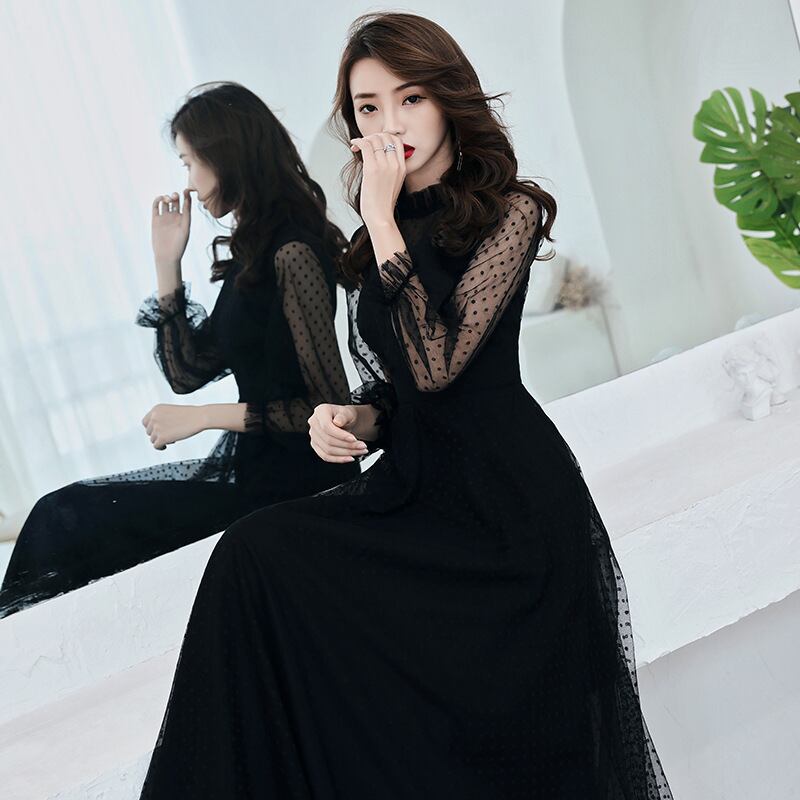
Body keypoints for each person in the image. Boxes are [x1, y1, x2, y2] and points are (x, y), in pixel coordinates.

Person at [138, 16, 674, 799]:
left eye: (410, 98)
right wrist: (350, 420)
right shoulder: (371, 242)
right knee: (254, 555)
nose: (390, 125)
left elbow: (439, 362)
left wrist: (382, 217)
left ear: (447, 100)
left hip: (505, 512)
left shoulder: (511, 212)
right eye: (368, 108)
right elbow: (397, 393)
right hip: (418, 494)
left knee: (533, 756)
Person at [0, 82, 359, 618]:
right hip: (256, 473)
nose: (188, 181)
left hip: (294, 486)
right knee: (60, 514)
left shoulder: (293, 251)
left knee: (65, 517)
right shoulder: (254, 252)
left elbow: (327, 410)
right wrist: (166, 261)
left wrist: (204, 417)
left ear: (226, 155)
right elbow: (187, 370)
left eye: (190, 162)